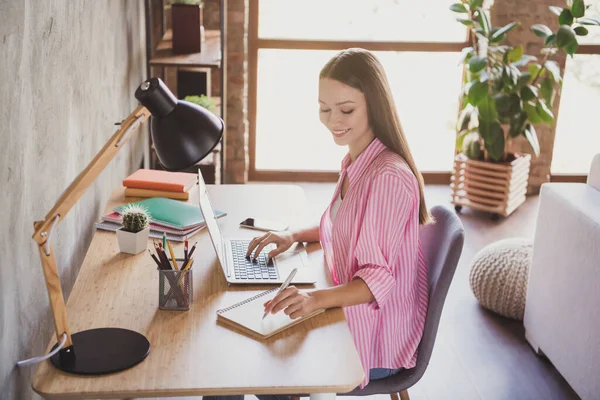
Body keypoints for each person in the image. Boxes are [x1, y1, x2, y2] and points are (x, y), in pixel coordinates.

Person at [205, 48, 431, 400]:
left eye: (346, 109)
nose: (332, 120)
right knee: (239, 352)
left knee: (256, 361)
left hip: (376, 335)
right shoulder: (357, 160)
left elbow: (377, 281)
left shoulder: (388, 176)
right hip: (348, 301)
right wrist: (291, 236)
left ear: (375, 104)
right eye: (324, 109)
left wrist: (314, 299)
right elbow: (338, 225)